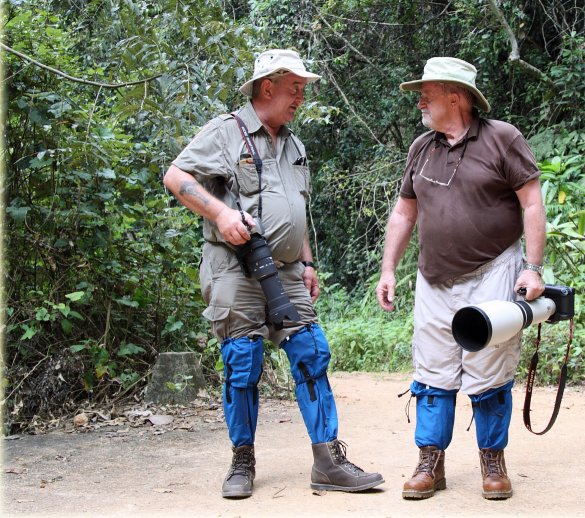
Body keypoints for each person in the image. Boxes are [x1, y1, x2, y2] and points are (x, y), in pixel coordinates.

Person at [163, 49, 384, 499]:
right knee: (242, 361)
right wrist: (222, 214)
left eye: (302, 88)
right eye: (295, 88)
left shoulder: (295, 145)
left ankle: (329, 461)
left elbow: (294, 207)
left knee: (311, 352)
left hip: (285, 270)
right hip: (235, 265)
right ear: (268, 87)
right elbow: (175, 175)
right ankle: (242, 459)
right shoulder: (228, 132)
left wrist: (305, 261)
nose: (301, 96)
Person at [376, 57, 546, 500]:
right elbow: (404, 212)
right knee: (432, 371)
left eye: (426, 95)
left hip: (492, 271)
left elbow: (531, 203)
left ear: (455, 97)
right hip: (434, 278)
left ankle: (493, 459)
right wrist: (389, 268)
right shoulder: (421, 147)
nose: (420, 103)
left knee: (489, 370)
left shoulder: (502, 139)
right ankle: (430, 461)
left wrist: (533, 267)